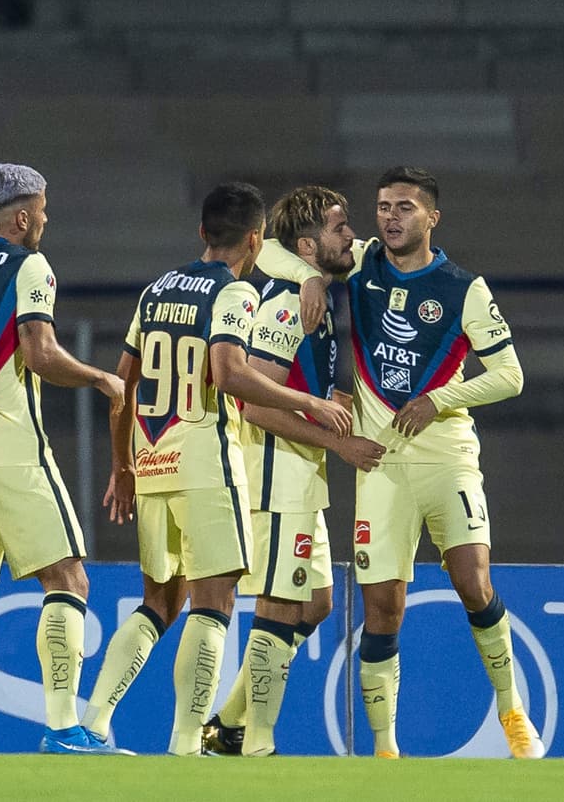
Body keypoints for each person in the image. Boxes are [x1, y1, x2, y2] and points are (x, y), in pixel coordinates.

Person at [256, 166, 540, 758]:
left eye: (405, 207)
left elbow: (510, 375)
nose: (390, 216)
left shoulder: (466, 288)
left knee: (472, 580)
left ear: (432, 217)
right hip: (379, 464)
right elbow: (273, 249)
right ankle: (386, 751)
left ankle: (512, 710)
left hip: (447, 457)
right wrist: (310, 275)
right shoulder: (359, 264)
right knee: (382, 608)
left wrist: (440, 398)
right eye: (383, 206)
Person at [83, 183, 352, 755]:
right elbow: (230, 375)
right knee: (214, 601)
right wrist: (312, 403)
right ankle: (187, 745)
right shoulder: (234, 295)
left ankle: (93, 723)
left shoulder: (155, 291)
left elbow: (122, 382)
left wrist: (122, 464)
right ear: (255, 240)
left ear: (202, 233)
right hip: (205, 460)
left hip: (153, 459)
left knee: (159, 601)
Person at [0, 163, 128, 755]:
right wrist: (98, 379)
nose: (44, 219)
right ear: (19, 216)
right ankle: (63, 728)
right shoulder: (28, 265)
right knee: (67, 578)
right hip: (10, 443)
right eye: (41, 210)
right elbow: (38, 352)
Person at [201, 186, 386, 756]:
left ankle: (228, 725)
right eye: (338, 227)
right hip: (275, 473)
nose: (350, 235)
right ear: (307, 244)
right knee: (280, 603)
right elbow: (257, 403)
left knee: (316, 605)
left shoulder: (316, 295)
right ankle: (257, 743)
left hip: (300, 479)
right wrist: (341, 444)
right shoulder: (287, 302)